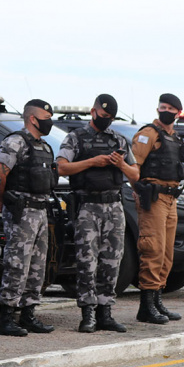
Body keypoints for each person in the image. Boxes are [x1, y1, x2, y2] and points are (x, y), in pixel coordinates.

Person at [56, 94, 139, 333]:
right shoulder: (76, 138)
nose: (107, 121)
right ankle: (87, 314)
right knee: (86, 262)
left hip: (114, 206)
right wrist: (92, 162)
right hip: (87, 206)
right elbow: (61, 167)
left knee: (112, 261)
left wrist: (119, 164)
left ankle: (106, 312)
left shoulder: (120, 140)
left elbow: (135, 175)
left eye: (110, 118)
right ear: (93, 112)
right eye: (103, 116)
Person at [0, 99, 59, 336]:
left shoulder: (44, 146)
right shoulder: (15, 141)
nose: (49, 120)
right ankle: (7, 316)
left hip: (41, 211)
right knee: (17, 264)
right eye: (45, 116)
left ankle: (29, 313)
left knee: (37, 266)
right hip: (21, 212)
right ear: (33, 118)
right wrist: (1, 199)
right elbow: (0, 171)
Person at [131, 93, 184, 324]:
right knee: (152, 250)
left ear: (178, 113)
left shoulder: (174, 137)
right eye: (162, 106)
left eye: (170, 108)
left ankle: (157, 301)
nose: (165, 110)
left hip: (171, 198)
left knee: (166, 253)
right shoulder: (148, 134)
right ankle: (146, 306)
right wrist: (138, 190)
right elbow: (133, 167)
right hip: (154, 198)